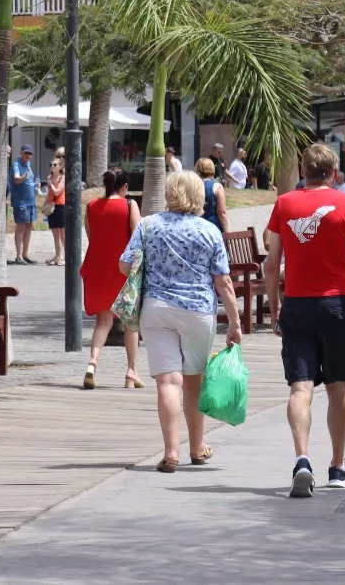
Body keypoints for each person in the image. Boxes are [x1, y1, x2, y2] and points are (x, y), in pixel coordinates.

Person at [263, 143, 345, 497]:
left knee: (300, 387)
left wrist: (275, 308)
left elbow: (272, 264)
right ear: (335, 174)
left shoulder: (285, 204)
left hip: (297, 307)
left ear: (303, 171)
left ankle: (302, 459)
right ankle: (337, 466)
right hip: (336, 305)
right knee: (339, 386)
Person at [119, 169, 242, 473]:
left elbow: (124, 265)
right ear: (199, 195)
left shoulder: (148, 225)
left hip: (156, 308)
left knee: (167, 380)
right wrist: (236, 322)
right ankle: (197, 447)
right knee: (194, 380)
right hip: (198, 311)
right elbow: (223, 281)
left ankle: (171, 451)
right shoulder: (209, 230)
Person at [82, 168, 142, 390]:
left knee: (103, 321)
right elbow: (137, 237)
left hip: (98, 268)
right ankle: (131, 372)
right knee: (129, 322)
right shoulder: (129, 205)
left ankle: (92, 363)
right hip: (123, 270)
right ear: (124, 187)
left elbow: (91, 236)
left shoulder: (91, 206)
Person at [9, 144, 37, 265]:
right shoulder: (16, 165)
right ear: (21, 153)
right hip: (21, 202)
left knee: (29, 226)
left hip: (31, 201)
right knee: (21, 227)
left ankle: (25, 255)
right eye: (26, 153)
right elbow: (16, 179)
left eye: (30, 153)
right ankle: (19, 256)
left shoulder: (28, 164)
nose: (28, 155)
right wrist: (23, 178)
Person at [46, 153, 67, 266]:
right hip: (52, 207)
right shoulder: (50, 177)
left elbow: (57, 191)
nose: (52, 167)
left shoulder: (63, 178)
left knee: (63, 234)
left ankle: (64, 255)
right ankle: (58, 255)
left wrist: (50, 184)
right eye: (51, 165)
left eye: (55, 165)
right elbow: (49, 194)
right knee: (55, 234)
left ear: (60, 166)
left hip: (60, 206)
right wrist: (45, 204)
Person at [196, 158, 227, 232]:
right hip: (213, 227)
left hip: (197, 227)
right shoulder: (217, 187)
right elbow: (222, 213)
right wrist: (227, 231)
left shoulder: (193, 185)